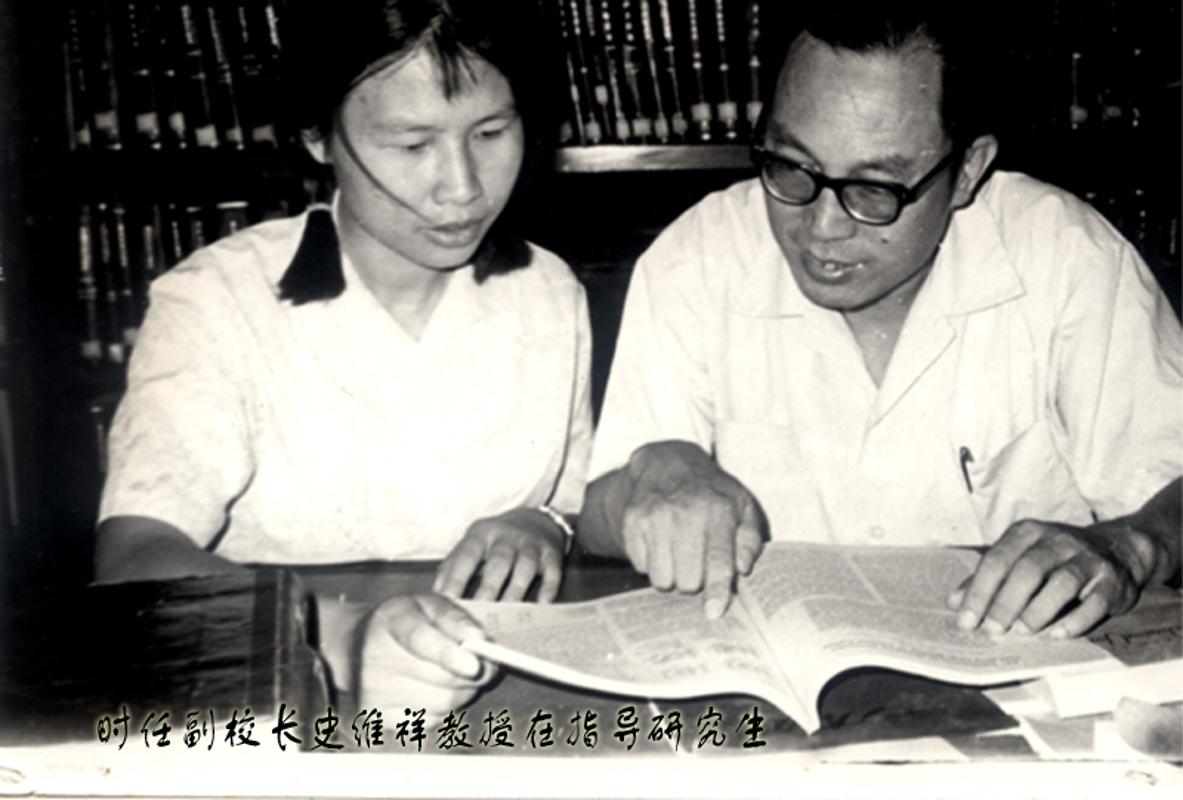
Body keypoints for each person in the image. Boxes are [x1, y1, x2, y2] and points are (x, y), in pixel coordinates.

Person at [579, 3, 1181, 639]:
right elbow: (593, 519)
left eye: (874, 190)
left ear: (968, 170)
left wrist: (1129, 546)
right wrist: (651, 473)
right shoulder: (698, 255)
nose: (821, 228)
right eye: (791, 167)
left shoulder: (1067, 255)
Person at [94, 0, 592, 719]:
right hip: (281, 692)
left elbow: (569, 496)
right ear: (316, 136)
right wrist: (348, 637)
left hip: (494, 687)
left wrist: (540, 524)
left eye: (491, 132)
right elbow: (134, 555)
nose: (462, 187)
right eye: (411, 145)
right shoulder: (217, 299)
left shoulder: (547, 290)